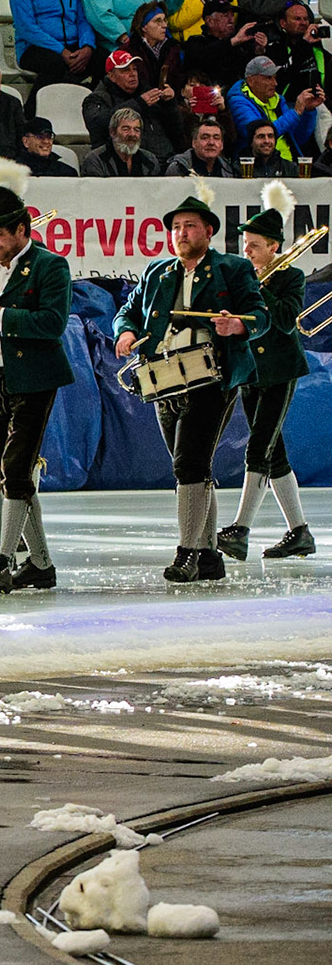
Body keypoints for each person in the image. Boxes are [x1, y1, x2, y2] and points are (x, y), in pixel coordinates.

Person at [113, 182, 268, 582]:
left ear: (208, 231)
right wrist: (126, 333)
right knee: (194, 468)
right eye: (176, 227)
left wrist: (237, 326)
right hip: (163, 378)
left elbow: (258, 315)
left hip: (211, 377)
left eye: (190, 226)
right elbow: (127, 311)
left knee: (189, 464)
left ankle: (188, 552)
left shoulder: (231, 269)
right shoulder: (157, 271)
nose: (181, 233)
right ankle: (211, 555)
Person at [0, 168, 75, 593]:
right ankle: (40, 564)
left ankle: (6, 557)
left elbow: (53, 322)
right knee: (16, 475)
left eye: (0, 234)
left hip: (32, 379)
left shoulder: (49, 266)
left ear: (22, 229)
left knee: (14, 468)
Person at [221, 183, 317, 562]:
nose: (247, 251)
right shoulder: (243, 273)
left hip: (279, 369)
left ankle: (240, 528)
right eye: (246, 245)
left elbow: (284, 321)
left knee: (258, 448)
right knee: (274, 455)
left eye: (255, 246)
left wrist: (261, 289)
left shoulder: (291, 277)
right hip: (251, 370)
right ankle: (299, 533)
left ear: (274, 247)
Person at [11, 0, 96, 103]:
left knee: (102, 59)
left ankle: (87, 107)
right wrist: (61, 51)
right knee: (55, 64)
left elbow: (83, 20)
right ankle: (33, 113)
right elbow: (26, 28)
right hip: (34, 48)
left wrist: (87, 47)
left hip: (72, 47)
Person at [227, 54, 321, 169]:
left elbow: (299, 138)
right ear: (251, 80)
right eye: (268, 78)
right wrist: (295, 112)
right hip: (258, 168)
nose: (275, 83)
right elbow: (257, 134)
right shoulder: (238, 102)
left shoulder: (278, 100)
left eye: (275, 77)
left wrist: (308, 111)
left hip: (288, 165)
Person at [86, 48, 180, 157]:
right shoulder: (96, 99)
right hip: (118, 163)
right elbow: (98, 126)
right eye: (125, 70)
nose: (133, 74)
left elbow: (176, 131)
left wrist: (170, 104)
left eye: (134, 69)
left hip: (162, 161)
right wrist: (139, 104)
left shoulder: (148, 93)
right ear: (111, 76)